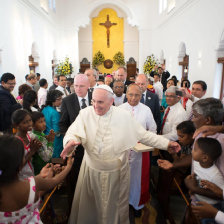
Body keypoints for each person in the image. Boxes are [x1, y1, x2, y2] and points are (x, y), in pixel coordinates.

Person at [60, 85, 180, 224]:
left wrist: (166, 143)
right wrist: (69, 142)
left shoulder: (123, 116)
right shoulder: (85, 113)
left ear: (111, 102)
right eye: (93, 101)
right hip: (91, 172)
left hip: (116, 174)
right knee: (91, 208)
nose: (95, 106)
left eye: (100, 102)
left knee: (114, 209)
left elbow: (144, 135)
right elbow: (72, 132)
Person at [0, 134, 74, 224]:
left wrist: (42, 175)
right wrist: (69, 166)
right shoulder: (33, 183)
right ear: (20, 163)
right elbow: (55, 181)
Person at [119, 84, 157, 217]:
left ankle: (137, 204)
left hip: (140, 153)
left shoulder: (146, 110)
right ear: (126, 94)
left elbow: (152, 129)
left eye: (137, 95)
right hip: (123, 151)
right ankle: (124, 204)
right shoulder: (119, 109)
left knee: (137, 180)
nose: (133, 98)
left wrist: (144, 142)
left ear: (141, 96)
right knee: (122, 179)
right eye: (130, 94)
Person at [59, 74, 92, 210]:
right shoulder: (67, 100)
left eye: (81, 86)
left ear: (88, 86)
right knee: (77, 179)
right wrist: (70, 140)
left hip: (94, 148)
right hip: (76, 149)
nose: (77, 89)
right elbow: (63, 124)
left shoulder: (96, 97)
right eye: (75, 86)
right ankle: (76, 207)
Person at [186, 137, 224, 205]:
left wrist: (194, 189)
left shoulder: (215, 175)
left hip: (211, 206)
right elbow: (195, 176)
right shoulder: (196, 162)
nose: (192, 150)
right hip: (198, 199)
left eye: (195, 149)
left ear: (205, 158)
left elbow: (221, 196)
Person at [11, 109, 42, 180]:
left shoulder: (28, 136)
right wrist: (32, 151)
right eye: (25, 122)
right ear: (16, 125)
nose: (30, 124)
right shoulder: (16, 142)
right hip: (22, 178)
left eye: (30, 120)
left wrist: (37, 148)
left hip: (30, 174)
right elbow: (19, 166)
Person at [42, 90, 63, 158]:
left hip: (46, 139)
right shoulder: (55, 113)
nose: (61, 101)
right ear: (52, 100)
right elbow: (57, 131)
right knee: (58, 163)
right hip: (56, 141)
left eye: (61, 98)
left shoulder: (44, 109)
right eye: (59, 99)